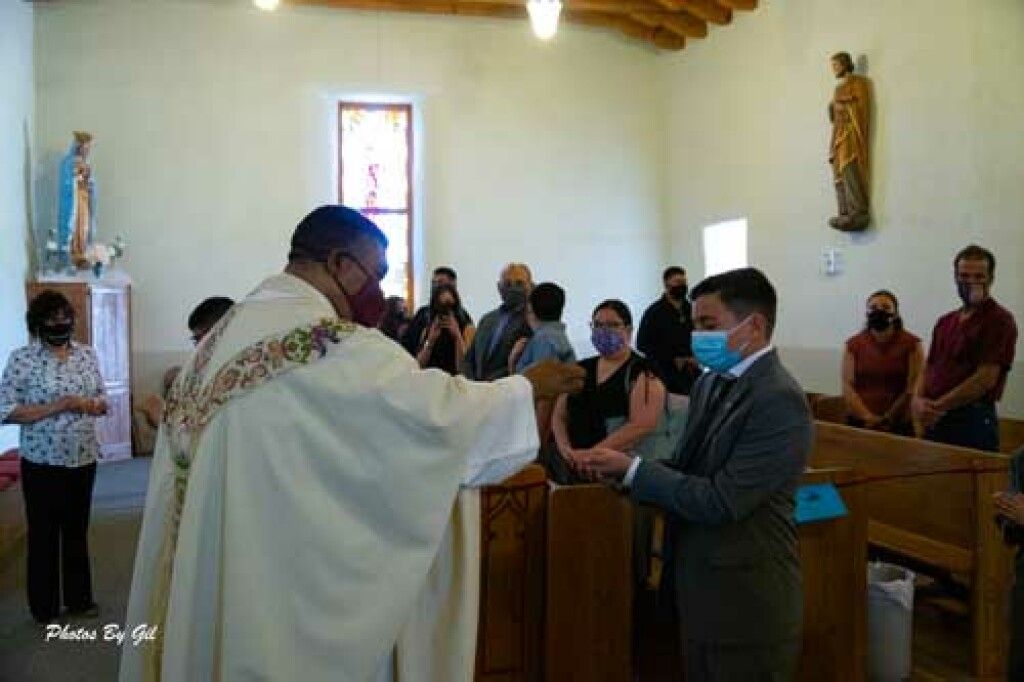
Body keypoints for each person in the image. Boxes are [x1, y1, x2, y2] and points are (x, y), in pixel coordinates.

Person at [120, 205, 583, 681]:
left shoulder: (225, 334)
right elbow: (433, 416)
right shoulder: (328, 344)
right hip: (273, 586)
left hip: (211, 565)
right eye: (376, 274)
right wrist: (526, 388)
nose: (379, 293)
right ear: (339, 263)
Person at [578, 268, 813, 680]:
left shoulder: (778, 399)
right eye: (695, 325)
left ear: (753, 326)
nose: (697, 337)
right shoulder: (709, 384)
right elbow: (688, 470)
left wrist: (635, 470)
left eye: (708, 325)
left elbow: (721, 500)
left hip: (745, 598)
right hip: (696, 586)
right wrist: (624, 476)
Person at [0, 290, 108, 624]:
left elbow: (102, 397)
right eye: (51, 317)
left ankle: (79, 600)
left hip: (83, 457)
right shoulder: (22, 359)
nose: (60, 323)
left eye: (65, 316)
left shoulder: (87, 355)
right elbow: (7, 411)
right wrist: (59, 405)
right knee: (44, 533)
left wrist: (97, 405)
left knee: (76, 531)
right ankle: (44, 607)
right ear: (37, 323)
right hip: (42, 462)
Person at [913, 245, 1017, 451]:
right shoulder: (945, 322)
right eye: (964, 276)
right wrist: (917, 400)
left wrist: (938, 407)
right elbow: (929, 366)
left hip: (971, 420)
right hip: (935, 419)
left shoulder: (999, 320)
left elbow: (985, 379)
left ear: (991, 278)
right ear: (955, 277)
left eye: (979, 276)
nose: (971, 282)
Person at [549, 300, 665, 485]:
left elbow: (642, 425)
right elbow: (559, 415)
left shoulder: (642, 373)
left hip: (613, 472)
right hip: (572, 468)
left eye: (612, 325)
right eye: (598, 325)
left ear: (628, 330)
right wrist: (567, 452)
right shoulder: (580, 369)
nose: (604, 331)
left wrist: (589, 456)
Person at [139, 296, 235, 430]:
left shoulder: (240, 376)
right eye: (196, 341)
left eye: (204, 341)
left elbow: (206, 436)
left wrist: (164, 419)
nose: (199, 350)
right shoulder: (205, 372)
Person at [842, 290, 923, 434]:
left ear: (896, 313)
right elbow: (848, 385)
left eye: (886, 307)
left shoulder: (912, 344)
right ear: (867, 313)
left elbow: (913, 386)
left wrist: (888, 418)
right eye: (873, 307)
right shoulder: (853, 344)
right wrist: (868, 417)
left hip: (899, 422)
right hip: (860, 422)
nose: (879, 311)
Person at [464, 262, 533, 381]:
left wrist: (491, 383)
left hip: (506, 391)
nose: (513, 288)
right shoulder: (487, 320)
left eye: (519, 283)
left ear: (530, 286)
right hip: (476, 391)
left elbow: (525, 362)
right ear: (499, 287)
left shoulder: (532, 322)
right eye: (507, 284)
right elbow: (470, 359)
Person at [827, 51, 872, 232]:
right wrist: (833, 107)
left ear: (845, 64)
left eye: (836, 65)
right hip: (838, 133)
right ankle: (844, 210)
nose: (834, 69)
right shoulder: (838, 89)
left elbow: (861, 109)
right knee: (838, 170)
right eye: (833, 66)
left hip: (851, 134)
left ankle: (857, 210)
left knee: (849, 167)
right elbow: (832, 114)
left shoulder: (859, 83)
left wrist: (845, 105)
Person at [637, 266, 697, 395]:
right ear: (666, 285)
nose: (682, 286)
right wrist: (671, 358)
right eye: (677, 283)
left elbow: (701, 335)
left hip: (692, 372)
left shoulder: (692, 309)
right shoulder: (653, 312)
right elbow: (642, 344)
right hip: (664, 375)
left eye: (684, 283)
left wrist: (696, 357)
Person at [401, 266, 473, 355]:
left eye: (440, 282)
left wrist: (457, 335)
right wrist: (430, 340)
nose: (436, 287)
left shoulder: (463, 317)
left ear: (453, 286)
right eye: (433, 283)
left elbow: (469, 359)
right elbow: (408, 348)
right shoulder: (422, 314)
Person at [509, 282, 576, 374]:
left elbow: (541, 382)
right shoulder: (558, 335)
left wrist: (512, 361)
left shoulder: (543, 339)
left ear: (531, 310)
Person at [58, 130, 96, 269]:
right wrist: (75, 179)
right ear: (78, 147)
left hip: (84, 199)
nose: (87, 151)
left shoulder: (86, 164)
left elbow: (91, 184)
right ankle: (72, 254)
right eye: (85, 148)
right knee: (74, 225)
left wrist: (89, 181)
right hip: (73, 200)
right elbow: (66, 182)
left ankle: (81, 253)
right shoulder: (68, 162)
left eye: (88, 149)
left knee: (83, 226)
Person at [415, 284, 472, 375]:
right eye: (441, 308)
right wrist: (430, 341)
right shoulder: (427, 331)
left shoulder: (467, 330)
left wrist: (457, 337)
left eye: (450, 307)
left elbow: (464, 370)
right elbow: (419, 366)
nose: (446, 314)